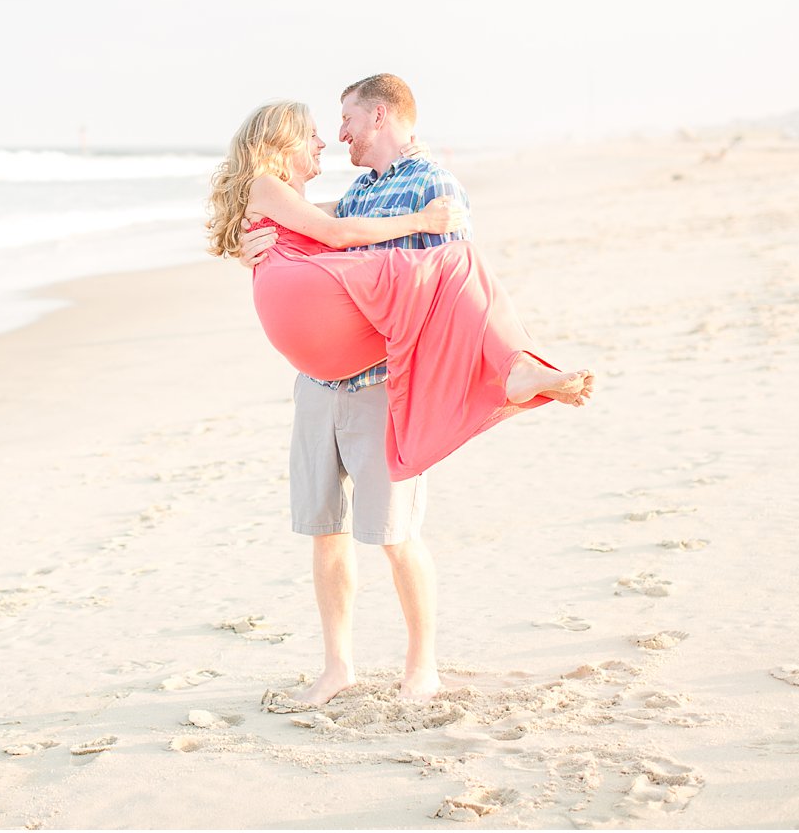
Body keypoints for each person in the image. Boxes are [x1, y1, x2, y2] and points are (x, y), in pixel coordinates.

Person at [207, 78, 591, 704]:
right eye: (317, 130)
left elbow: (448, 292)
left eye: (346, 120)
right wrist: (248, 249)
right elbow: (323, 236)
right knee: (325, 531)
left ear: (379, 115)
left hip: (378, 389)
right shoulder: (359, 190)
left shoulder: (433, 185)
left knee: (394, 535)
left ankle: (423, 666)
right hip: (317, 385)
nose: (334, 137)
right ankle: (339, 667)